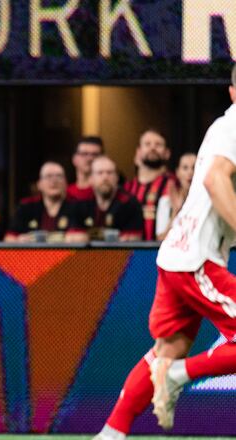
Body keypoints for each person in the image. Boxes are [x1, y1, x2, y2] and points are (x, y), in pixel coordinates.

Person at [94, 66, 236, 440]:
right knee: (173, 360)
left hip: (179, 253)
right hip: (196, 258)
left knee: (169, 346)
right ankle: (177, 375)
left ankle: (110, 433)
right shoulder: (234, 125)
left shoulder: (223, 128)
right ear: (233, 92)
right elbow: (214, 178)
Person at [67, 156, 143, 242]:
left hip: (121, 255)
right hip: (86, 255)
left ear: (117, 177)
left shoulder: (130, 204)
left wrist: (90, 237)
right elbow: (73, 238)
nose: (105, 177)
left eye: (110, 173)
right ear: (91, 178)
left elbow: (132, 240)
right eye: (100, 173)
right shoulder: (81, 202)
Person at [5, 161, 77, 243]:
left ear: (66, 183)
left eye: (59, 176)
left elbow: (83, 237)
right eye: (48, 176)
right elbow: (9, 238)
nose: (54, 181)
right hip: (32, 255)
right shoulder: (26, 207)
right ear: (39, 184)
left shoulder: (76, 206)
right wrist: (19, 240)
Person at [124, 129, 176, 241]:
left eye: (158, 144)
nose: (153, 148)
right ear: (138, 152)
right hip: (129, 255)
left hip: (164, 252)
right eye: (147, 144)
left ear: (167, 153)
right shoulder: (127, 188)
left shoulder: (175, 185)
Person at [156, 153, 196, 240]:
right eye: (185, 168)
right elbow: (160, 240)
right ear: (177, 173)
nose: (190, 172)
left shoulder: (207, 201)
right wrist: (175, 211)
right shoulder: (166, 202)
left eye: (194, 167)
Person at [67, 136, 103, 201]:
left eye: (95, 154)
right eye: (84, 154)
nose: (90, 158)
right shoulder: (66, 194)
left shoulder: (108, 191)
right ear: (74, 159)